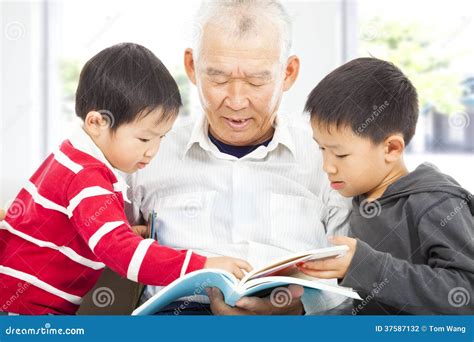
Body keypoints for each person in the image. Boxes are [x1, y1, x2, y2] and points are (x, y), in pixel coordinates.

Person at [127, 0, 352, 315]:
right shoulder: (146, 153)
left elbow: (353, 278)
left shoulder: (328, 159)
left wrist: (300, 308)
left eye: (256, 80)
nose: (235, 101)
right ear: (192, 66)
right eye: (218, 78)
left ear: (288, 73)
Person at [0, 43, 250, 315]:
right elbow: (121, 254)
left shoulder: (70, 158)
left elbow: (69, 230)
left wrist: (121, 229)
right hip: (23, 313)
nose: (153, 150)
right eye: (144, 138)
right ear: (97, 123)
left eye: (161, 138)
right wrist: (203, 266)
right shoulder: (86, 175)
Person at [299, 57, 474, 314]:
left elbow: (466, 295)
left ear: (391, 148)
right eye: (321, 148)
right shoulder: (359, 199)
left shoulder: (435, 203)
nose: (327, 166)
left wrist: (366, 266)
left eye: (340, 154)